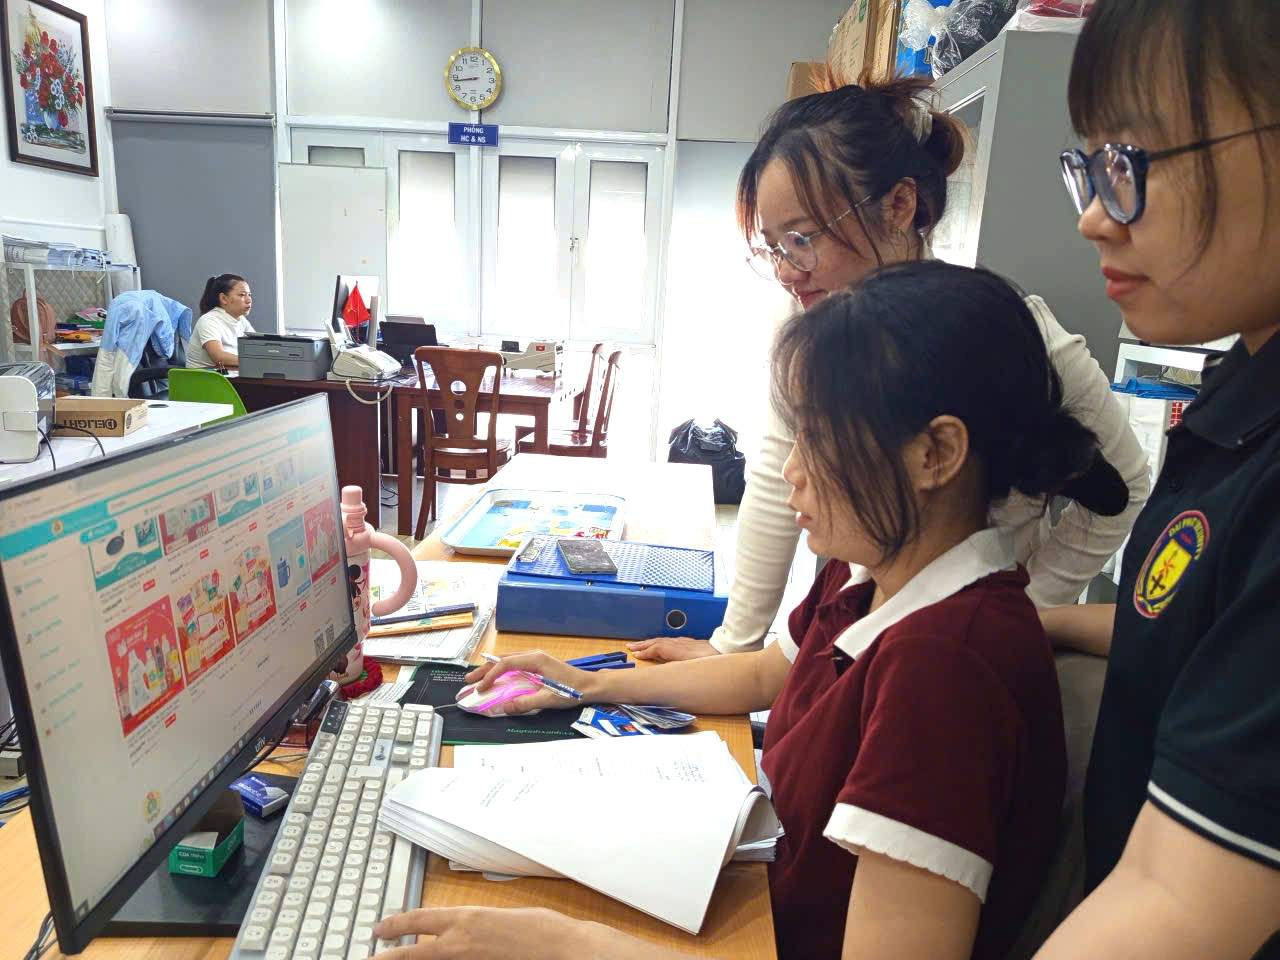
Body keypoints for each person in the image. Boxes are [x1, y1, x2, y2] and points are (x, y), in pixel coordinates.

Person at [373, 262, 1130, 959]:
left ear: (935, 454)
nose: (791, 472)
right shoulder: (878, 580)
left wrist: (570, 947)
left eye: (820, 439)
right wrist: (588, 684)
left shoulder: (945, 668)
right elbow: (781, 671)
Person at [628, 76, 1150, 664]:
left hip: (959, 662)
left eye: (801, 239)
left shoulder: (1004, 335)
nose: (786, 270)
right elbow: (775, 483)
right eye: (773, 247)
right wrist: (734, 650)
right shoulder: (803, 333)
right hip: (861, 638)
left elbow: (1121, 488)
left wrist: (1025, 608)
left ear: (899, 205)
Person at [1030, 1, 1280, 957]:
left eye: (1130, 164)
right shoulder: (1241, 395)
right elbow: (1203, 622)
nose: (1096, 213)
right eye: (1089, 169)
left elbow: (1175, 899)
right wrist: (1048, 617)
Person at [186, 273, 254, 369]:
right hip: (205, 379)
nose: (249, 300)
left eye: (249, 295)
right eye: (242, 295)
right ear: (223, 298)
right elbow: (219, 357)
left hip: (230, 376)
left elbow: (255, 349)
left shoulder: (242, 321)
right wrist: (254, 362)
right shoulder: (209, 320)